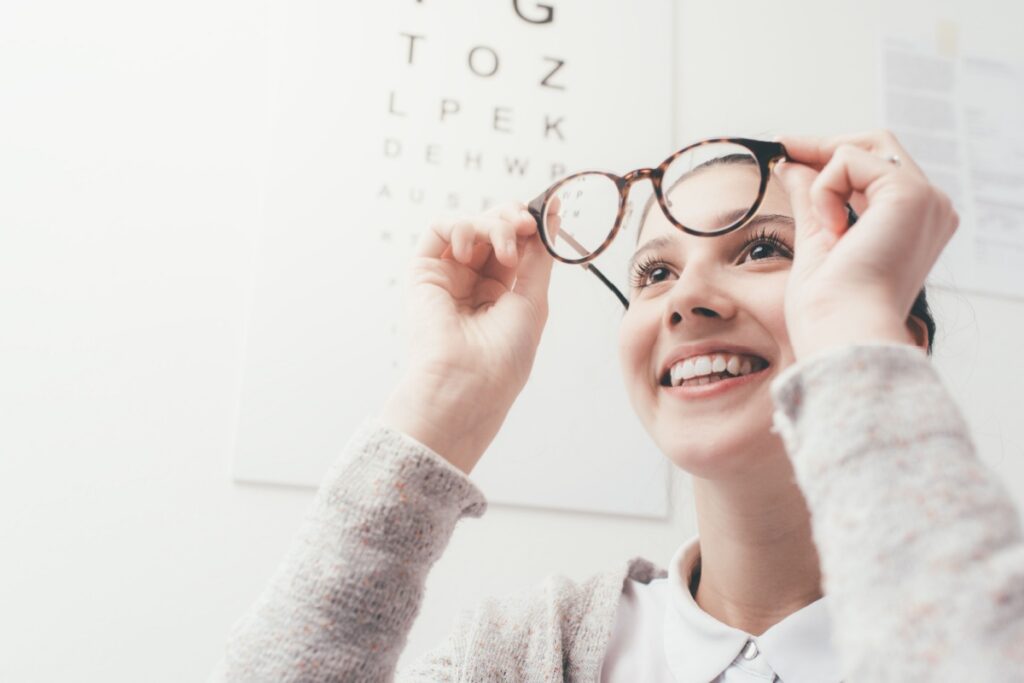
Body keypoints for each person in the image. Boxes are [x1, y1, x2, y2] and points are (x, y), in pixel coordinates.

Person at [209, 131, 1022, 682]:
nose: (686, 299)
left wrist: (852, 333)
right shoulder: (531, 651)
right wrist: (444, 401)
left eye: (764, 248)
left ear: (896, 338)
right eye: (654, 274)